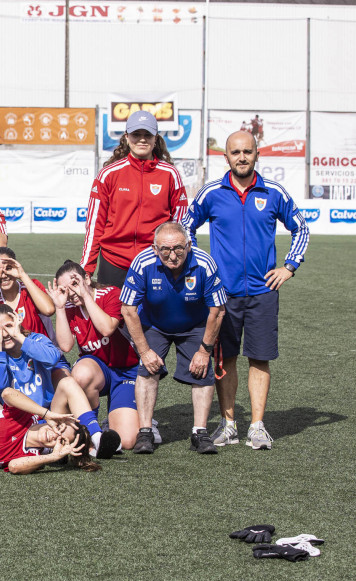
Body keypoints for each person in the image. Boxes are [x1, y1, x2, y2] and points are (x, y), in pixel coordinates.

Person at [182, 130, 309, 450]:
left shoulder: (273, 191)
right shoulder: (211, 192)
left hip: (263, 292)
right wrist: (201, 267)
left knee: (260, 359)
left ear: (256, 155)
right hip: (223, 296)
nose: (242, 157)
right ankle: (228, 425)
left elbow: (301, 227)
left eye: (247, 152)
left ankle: (257, 426)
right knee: (224, 361)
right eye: (235, 152)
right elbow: (185, 226)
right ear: (225, 157)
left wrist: (289, 266)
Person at [120, 222, 227, 455]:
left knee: (202, 371)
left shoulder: (204, 263)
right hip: (155, 324)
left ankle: (200, 432)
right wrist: (144, 351)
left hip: (194, 324)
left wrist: (204, 351)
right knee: (147, 370)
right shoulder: (142, 262)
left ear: (188, 245)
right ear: (155, 248)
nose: (172, 255)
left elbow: (217, 311)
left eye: (178, 248)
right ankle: (145, 431)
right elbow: (128, 309)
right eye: (165, 249)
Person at [0, 305, 121, 458]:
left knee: (68, 383)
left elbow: (52, 358)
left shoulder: (35, 339)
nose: (5, 333)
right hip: (21, 423)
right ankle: (53, 446)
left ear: (17, 322)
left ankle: (96, 437)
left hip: (51, 415)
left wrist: (19, 337)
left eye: (8, 325)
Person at [81, 110, 188, 287]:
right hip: (113, 263)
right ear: (126, 137)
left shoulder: (170, 174)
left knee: (154, 316)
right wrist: (86, 268)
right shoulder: (108, 174)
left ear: (156, 138)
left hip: (155, 262)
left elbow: (181, 224)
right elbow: (94, 225)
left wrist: (179, 260)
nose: (142, 139)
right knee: (112, 316)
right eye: (136, 134)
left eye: (148, 134)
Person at [49, 260, 145, 451]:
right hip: (97, 369)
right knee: (81, 373)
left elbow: (107, 328)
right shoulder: (68, 307)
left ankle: (112, 421)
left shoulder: (111, 294)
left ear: (87, 278)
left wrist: (85, 295)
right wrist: (59, 308)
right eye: (65, 290)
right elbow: (66, 346)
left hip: (126, 370)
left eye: (75, 284)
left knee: (125, 441)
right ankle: (91, 430)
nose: (72, 293)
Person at [0, 247, 55, 338]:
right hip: (7, 352)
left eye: (8, 268)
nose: (3, 275)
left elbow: (48, 310)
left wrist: (22, 275)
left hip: (38, 349)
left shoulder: (30, 287)